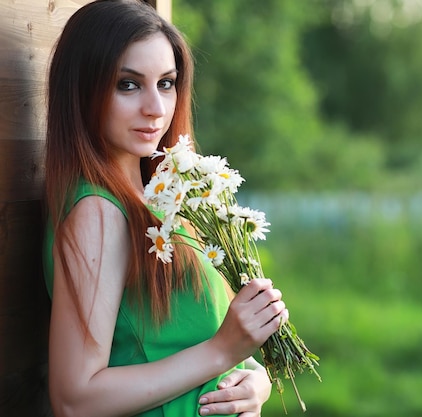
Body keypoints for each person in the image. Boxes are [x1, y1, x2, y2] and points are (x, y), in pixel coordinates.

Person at [42, 1, 289, 416]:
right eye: (128, 84)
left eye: (167, 83)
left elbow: (189, 338)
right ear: (84, 88)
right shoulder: (98, 214)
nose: (155, 108)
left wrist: (253, 378)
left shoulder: (165, 202)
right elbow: (75, 400)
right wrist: (221, 350)